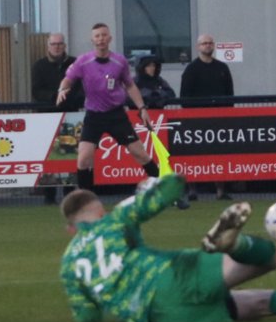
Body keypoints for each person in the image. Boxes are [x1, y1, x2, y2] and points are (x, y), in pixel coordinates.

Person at [59, 177, 276, 322]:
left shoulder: (68, 265)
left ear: (70, 229)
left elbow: (87, 318)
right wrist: (156, 186)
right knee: (273, 258)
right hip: (170, 277)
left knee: (260, 304)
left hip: (163, 317)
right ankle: (233, 243)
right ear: (99, 210)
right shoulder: (115, 220)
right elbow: (172, 188)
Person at [56, 24, 170, 204]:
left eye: (104, 35)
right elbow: (68, 79)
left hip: (116, 115)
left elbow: (130, 85)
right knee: (83, 159)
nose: (100, 39)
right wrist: (62, 89)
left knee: (140, 154)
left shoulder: (119, 61)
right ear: (92, 40)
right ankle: (87, 203)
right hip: (93, 116)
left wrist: (141, 109)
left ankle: (167, 193)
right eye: (97, 36)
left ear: (109, 38)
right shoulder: (83, 62)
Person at [180, 33, 235, 200]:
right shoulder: (191, 69)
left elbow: (230, 94)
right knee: (194, 155)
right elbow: (184, 97)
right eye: (204, 43)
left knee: (220, 154)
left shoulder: (222, 68)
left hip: (219, 118)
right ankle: (192, 190)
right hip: (196, 119)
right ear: (198, 47)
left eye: (210, 43)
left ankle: (220, 190)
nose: (208, 46)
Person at [31, 34, 83, 205]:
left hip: (71, 116)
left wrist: (69, 98)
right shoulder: (39, 66)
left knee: (69, 156)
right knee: (49, 157)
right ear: (48, 46)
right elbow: (37, 91)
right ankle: (49, 196)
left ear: (65, 45)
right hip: (47, 117)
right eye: (54, 44)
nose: (57, 47)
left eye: (60, 44)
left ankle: (70, 195)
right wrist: (56, 97)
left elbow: (81, 87)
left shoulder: (75, 64)